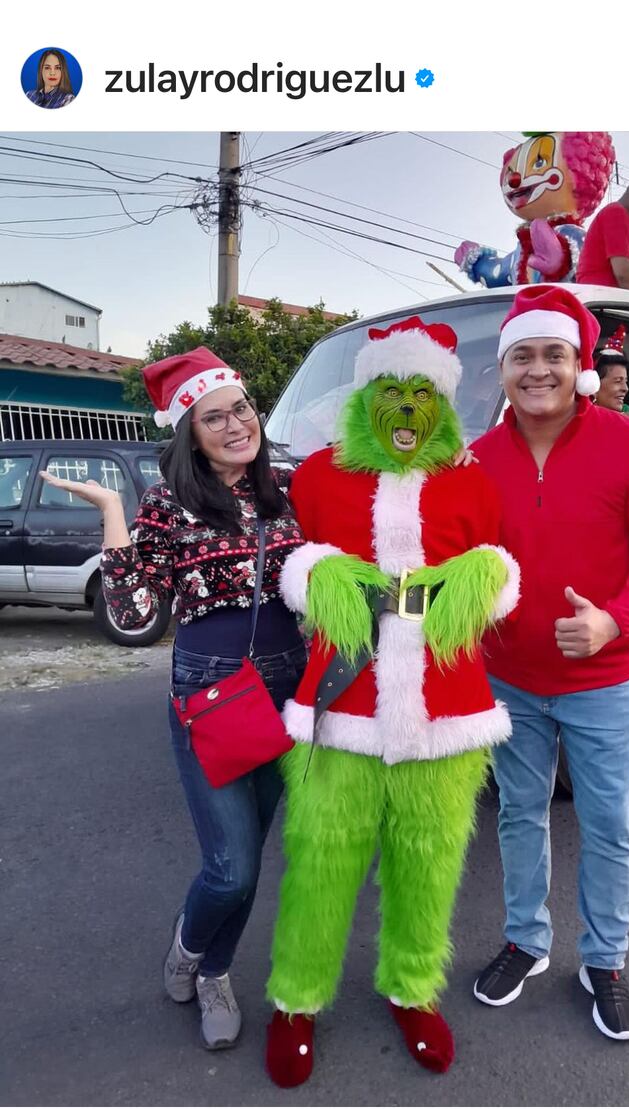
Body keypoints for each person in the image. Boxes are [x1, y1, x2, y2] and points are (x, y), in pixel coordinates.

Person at [263, 317, 520, 1087]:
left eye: (421, 393)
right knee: (320, 863)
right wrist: (319, 575)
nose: (406, 408)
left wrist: (481, 577)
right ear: (364, 396)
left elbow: (502, 569)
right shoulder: (316, 476)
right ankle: (296, 999)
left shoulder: (472, 479)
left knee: (428, 866)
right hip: (340, 706)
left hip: (446, 715)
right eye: (391, 390)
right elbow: (288, 563)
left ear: (441, 404)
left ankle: (412, 987)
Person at [39, 347, 308, 1051]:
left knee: (251, 859)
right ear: (190, 433)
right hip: (210, 692)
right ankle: (190, 948)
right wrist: (113, 513)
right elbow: (132, 614)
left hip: (286, 687)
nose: (235, 425)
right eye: (214, 418)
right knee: (231, 867)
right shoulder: (169, 502)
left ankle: (216, 972)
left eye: (241, 409)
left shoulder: (287, 488)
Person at [470, 285, 629, 1041]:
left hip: (605, 680)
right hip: (509, 679)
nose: (538, 370)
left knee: (607, 826)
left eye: (554, 355)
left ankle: (605, 962)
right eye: (522, 356)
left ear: (580, 366)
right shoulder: (477, 459)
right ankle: (526, 941)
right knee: (518, 816)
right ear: (503, 369)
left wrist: (612, 621)